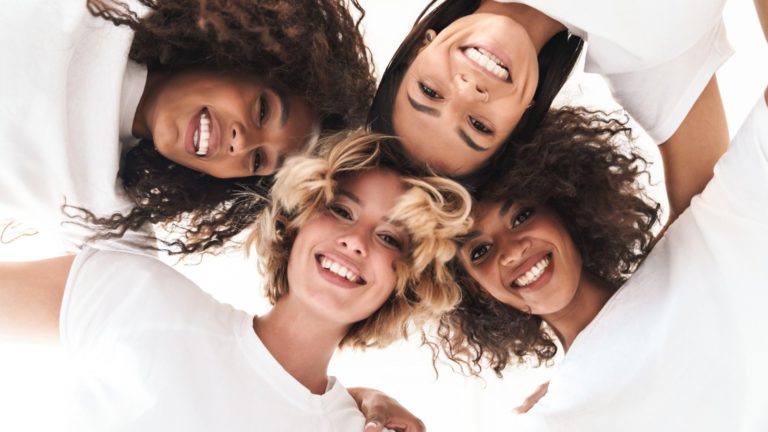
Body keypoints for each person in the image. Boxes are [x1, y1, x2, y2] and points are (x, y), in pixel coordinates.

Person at [0, 131, 472, 431]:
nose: (356, 241)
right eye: (341, 210)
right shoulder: (143, 297)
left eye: (390, 238)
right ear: (296, 222)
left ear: (404, 285)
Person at [431, 92, 768, 429]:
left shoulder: (699, 247)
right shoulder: (556, 418)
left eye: (522, 217)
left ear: (564, 206)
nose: (511, 251)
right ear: (474, 289)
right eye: (480, 252)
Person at [0, 0, 375, 254]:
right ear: (236, 57)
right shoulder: (108, 9)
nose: (241, 142)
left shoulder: (108, 220)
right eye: (262, 110)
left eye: (258, 159)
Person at [368, 0, 730, 217]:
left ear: (419, 44)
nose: (467, 91)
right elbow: (710, 214)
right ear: (522, 121)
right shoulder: (639, 54)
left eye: (430, 92)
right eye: (478, 126)